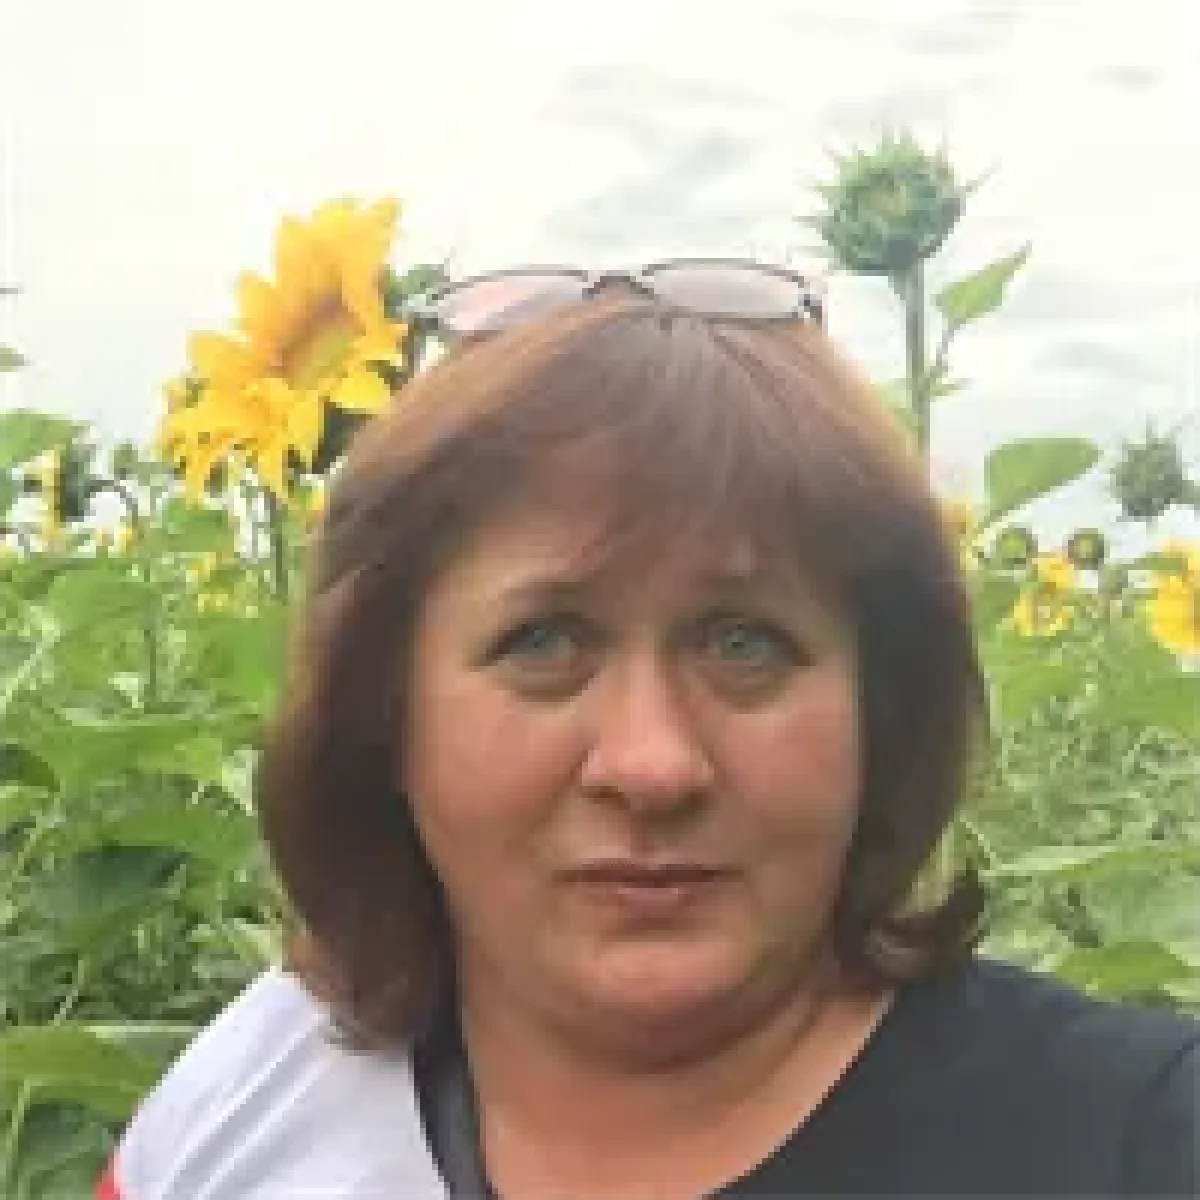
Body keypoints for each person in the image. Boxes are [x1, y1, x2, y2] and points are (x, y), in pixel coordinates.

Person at [98, 263, 1200, 1199]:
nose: (653, 763)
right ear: (386, 718)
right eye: (543, 643)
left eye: (745, 644)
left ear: (880, 712)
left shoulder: (1130, 1141)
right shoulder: (249, 1111)